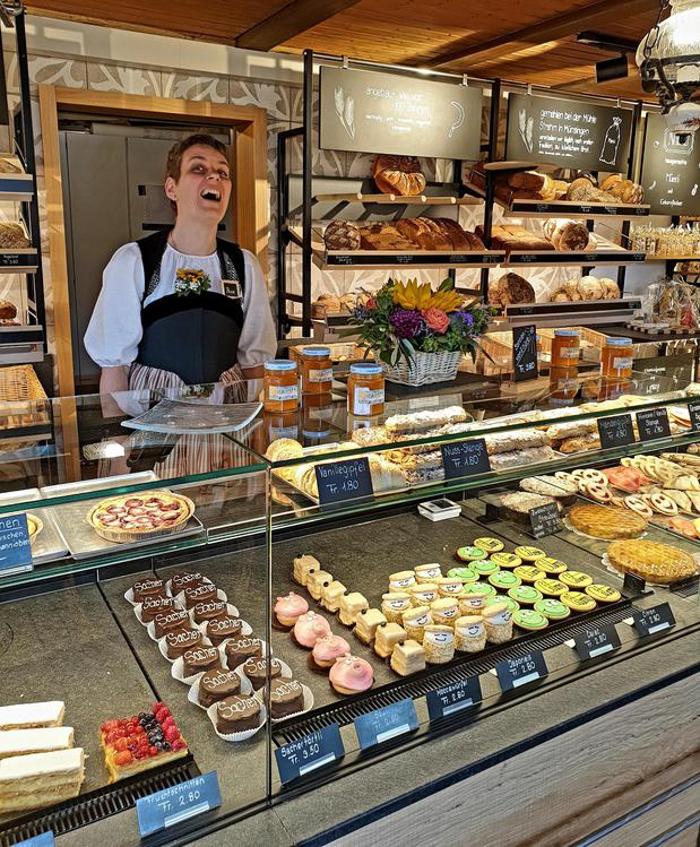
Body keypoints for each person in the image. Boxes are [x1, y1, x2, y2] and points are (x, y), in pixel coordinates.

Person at [85, 133, 276, 401]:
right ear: (171, 188)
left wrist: (260, 431)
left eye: (223, 172)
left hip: (228, 423)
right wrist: (118, 438)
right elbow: (114, 368)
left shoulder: (243, 265)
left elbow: (254, 365)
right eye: (198, 169)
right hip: (156, 420)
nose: (214, 178)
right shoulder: (134, 262)